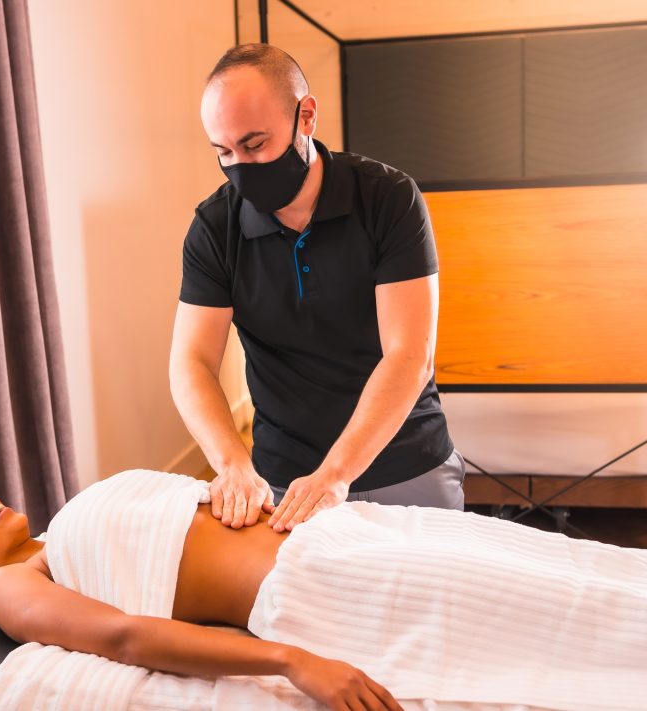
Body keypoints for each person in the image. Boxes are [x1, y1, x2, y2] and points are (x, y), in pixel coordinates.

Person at [0, 470, 647, 711]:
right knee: (569, 616)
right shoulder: (20, 584)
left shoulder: (61, 529)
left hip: (350, 532)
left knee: (583, 572)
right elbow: (126, 637)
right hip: (332, 582)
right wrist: (295, 660)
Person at [169, 43, 465, 534]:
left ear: (306, 116)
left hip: (407, 466)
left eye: (255, 143)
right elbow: (192, 362)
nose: (239, 165)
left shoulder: (388, 199)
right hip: (285, 481)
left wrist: (335, 475)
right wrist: (232, 464)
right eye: (224, 151)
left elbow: (409, 355)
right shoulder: (215, 227)